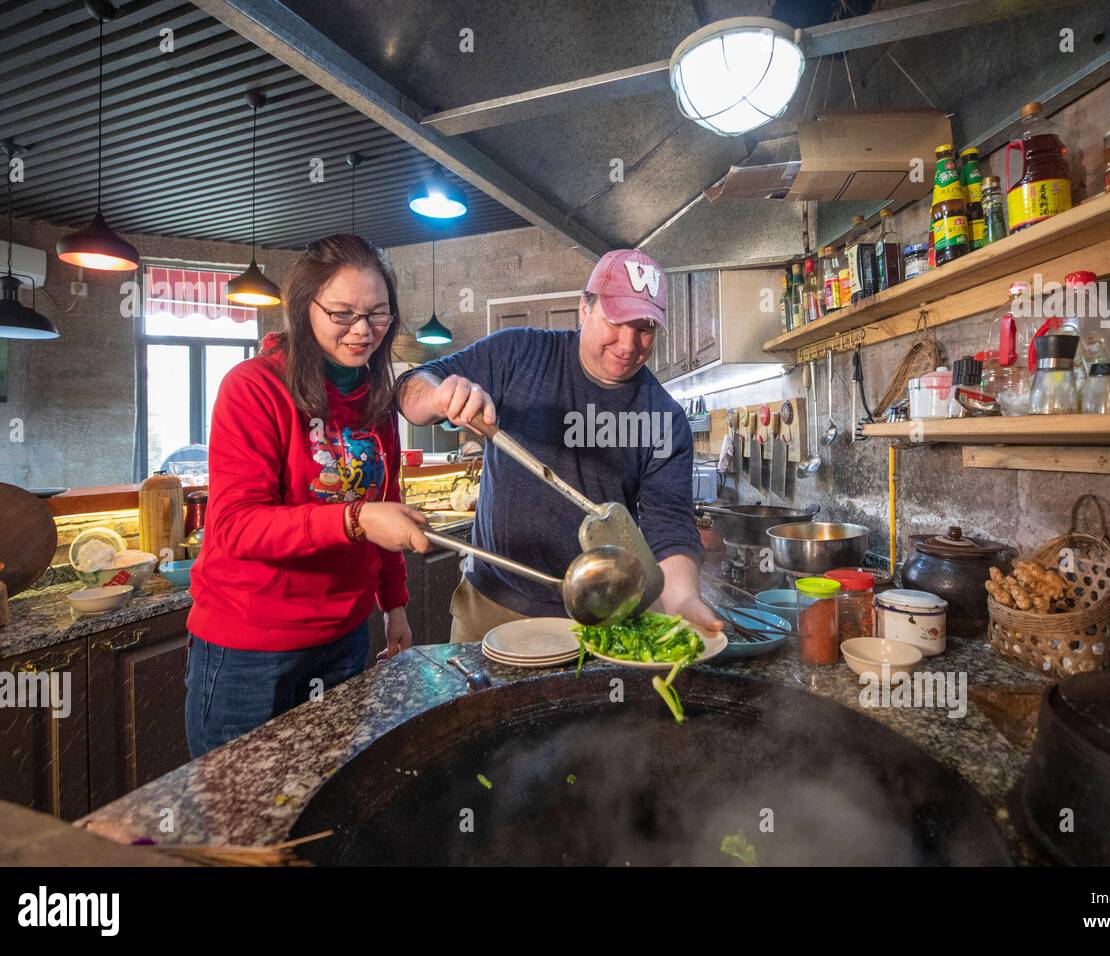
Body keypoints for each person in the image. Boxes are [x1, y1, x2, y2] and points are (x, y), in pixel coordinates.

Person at [185, 234, 431, 758]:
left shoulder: (376, 398)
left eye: (377, 314)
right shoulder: (253, 388)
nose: (362, 330)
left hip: (344, 636)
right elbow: (235, 526)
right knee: (241, 800)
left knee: (328, 787)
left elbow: (386, 499)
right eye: (342, 314)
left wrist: (395, 605)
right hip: (250, 646)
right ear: (304, 307)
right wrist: (355, 520)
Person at [396, 249, 720, 642]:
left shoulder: (665, 419)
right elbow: (409, 390)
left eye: (645, 328)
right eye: (615, 321)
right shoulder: (517, 353)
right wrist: (439, 396)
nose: (628, 343)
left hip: (599, 617)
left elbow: (670, 526)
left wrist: (683, 599)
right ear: (585, 309)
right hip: (491, 606)